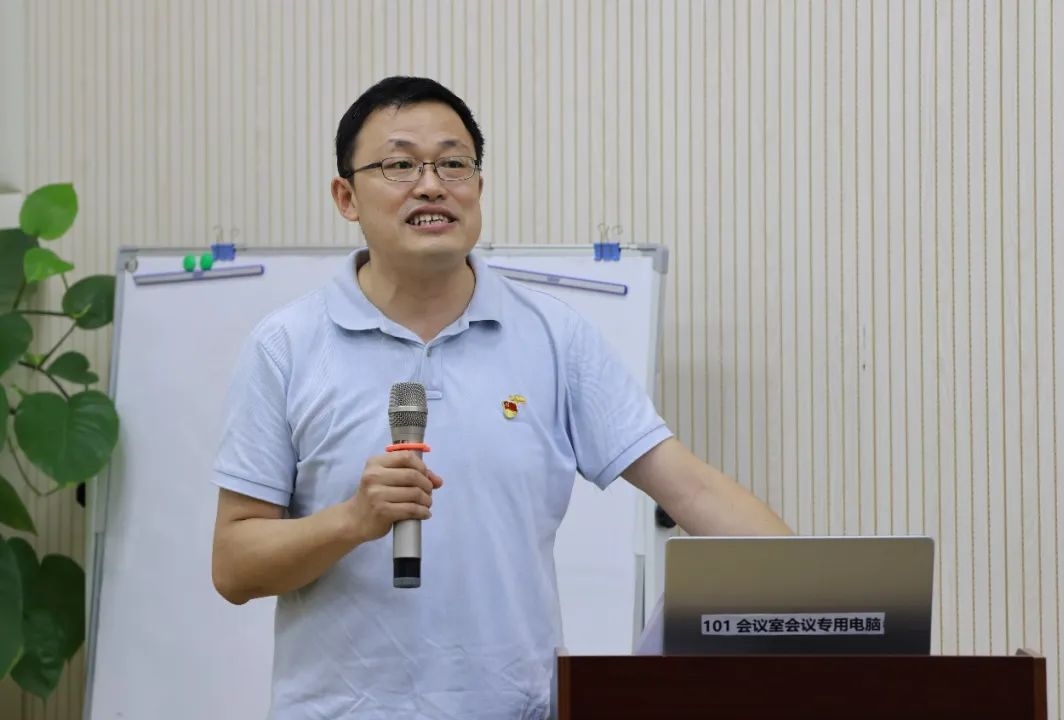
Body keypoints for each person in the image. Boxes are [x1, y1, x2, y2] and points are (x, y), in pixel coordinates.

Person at [210, 75, 792, 720]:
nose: (431, 186)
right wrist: (351, 521)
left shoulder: (555, 336)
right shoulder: (286, 345)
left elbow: (691, 490)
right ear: (346, 197)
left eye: (453, 164)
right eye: (400, 165)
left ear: (478, 188)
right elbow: (235, 566)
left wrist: (824, 597)